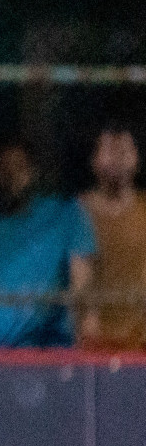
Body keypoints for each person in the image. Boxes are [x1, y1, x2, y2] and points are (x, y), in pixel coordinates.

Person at [0, 142, 97, 348]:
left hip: (51, 353)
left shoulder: (64, 215)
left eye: (19, 167)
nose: (11, 176)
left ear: (33, 172)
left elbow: (83, 291)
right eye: (3, 168)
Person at [79, 124, 146, 351]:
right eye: (108, 150)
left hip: (141, 345)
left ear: (137, 158)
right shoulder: (78, 213)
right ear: (93, 159)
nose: (116, 159)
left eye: (124, 151)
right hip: (94, 348)